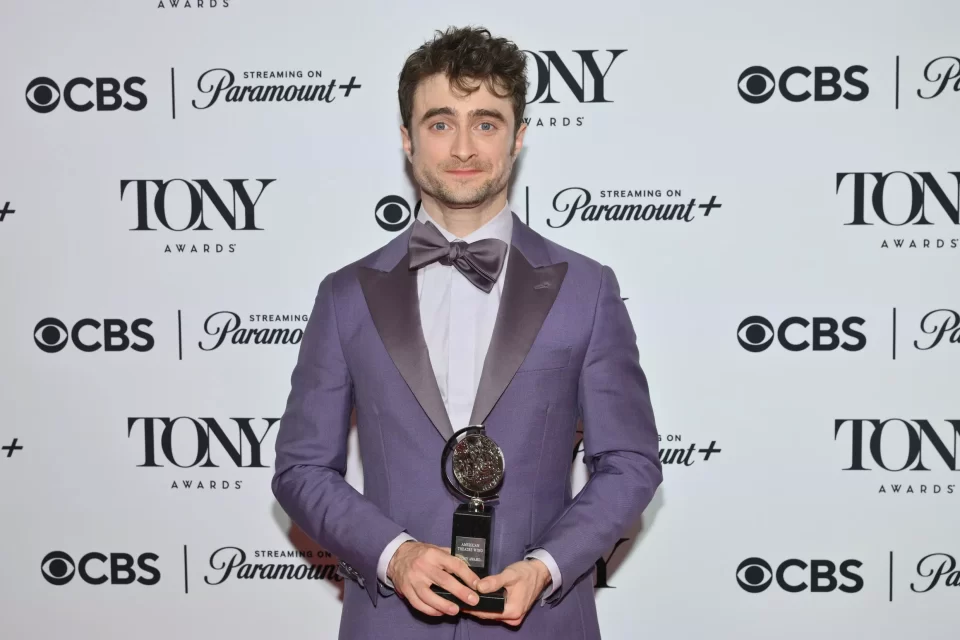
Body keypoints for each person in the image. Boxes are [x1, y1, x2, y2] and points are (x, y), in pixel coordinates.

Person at [272, 25, 662, 640]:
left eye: (485, 122)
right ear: (407, 139)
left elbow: (631, 462)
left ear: (518, 136)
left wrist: (546, 566)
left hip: (540, 623)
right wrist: (395, 555)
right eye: (439, 123)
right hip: (390, 625)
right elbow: (301, 469)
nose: (462, 147)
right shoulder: (345, 296)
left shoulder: (587, 289)